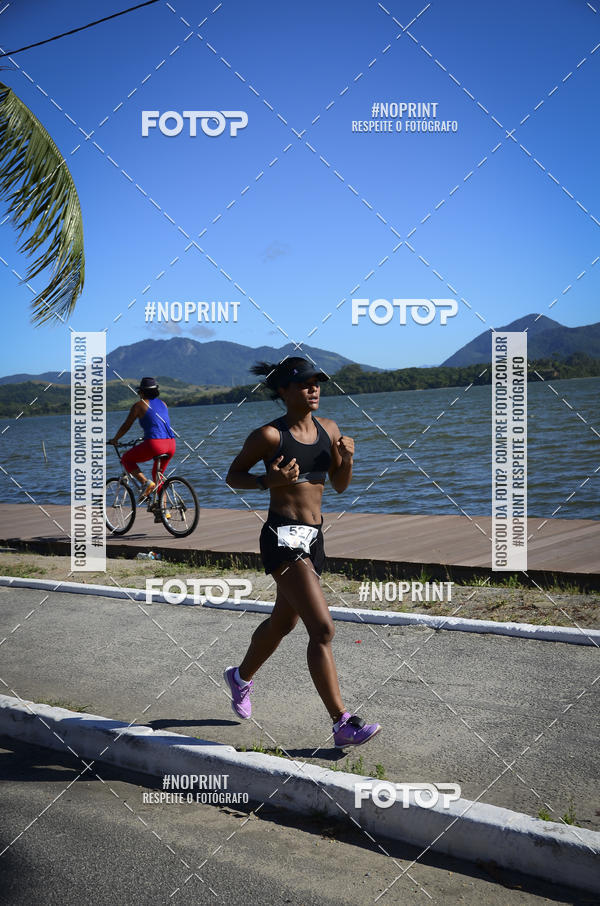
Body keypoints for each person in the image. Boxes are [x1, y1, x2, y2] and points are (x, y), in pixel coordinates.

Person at [224, 357, 381, 748]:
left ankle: (240, 677)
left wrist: (346, 457)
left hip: (314, 536)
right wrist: (267, 480)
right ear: (284, 391)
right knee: (322, 628)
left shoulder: (330, 430)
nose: (314, 389)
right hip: (282, 537)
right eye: (305, 384)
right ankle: (341, 722)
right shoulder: (269, 436)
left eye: (317, 383)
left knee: (283, 623)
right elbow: (233, 475)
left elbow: (340, 485)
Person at [108, 377, 176, 501]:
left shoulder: (139, 406)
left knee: (126, 459)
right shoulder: (163, 404)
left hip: (155, 444)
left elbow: (126, 426)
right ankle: (163, 511)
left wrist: (115, 439)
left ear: (142, 392)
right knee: (158, 477)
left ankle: (145, 483)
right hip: (171, 444)